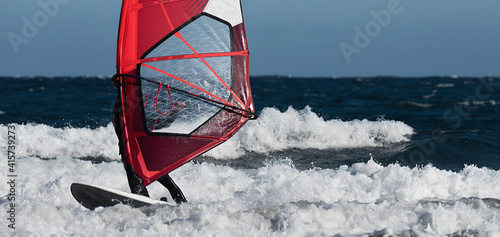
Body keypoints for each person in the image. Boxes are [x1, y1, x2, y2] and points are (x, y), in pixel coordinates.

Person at [112, 79, 187, 204]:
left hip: (144, 158)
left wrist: (176, 111)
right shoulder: (120, 115)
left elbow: (164, 123)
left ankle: (184, 205)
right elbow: (122, 100)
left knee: (169, 184)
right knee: (140, 191)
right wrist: (121, 83)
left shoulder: (142, 121)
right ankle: (152, 204)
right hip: (131, 157)